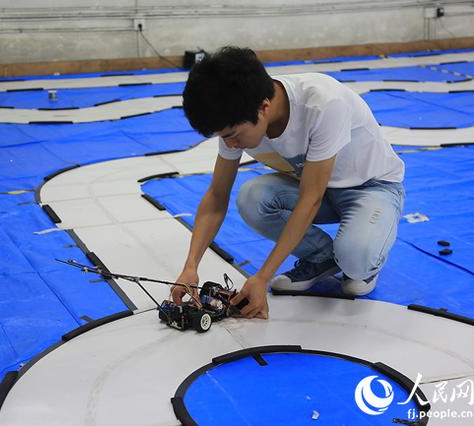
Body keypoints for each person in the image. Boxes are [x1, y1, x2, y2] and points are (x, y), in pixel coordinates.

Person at [171, 46, 405, 320]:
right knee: (252, 197)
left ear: (264, 107)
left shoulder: (323, 103)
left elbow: (310, 199)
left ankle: (363, 261)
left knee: (355, 264)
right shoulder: (238, 118)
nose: (230, 144)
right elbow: (216, 195)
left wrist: (262, 277)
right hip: (318, 187)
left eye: (233, 135)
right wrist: (190, 266)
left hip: (371, 187)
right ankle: (321, 257)